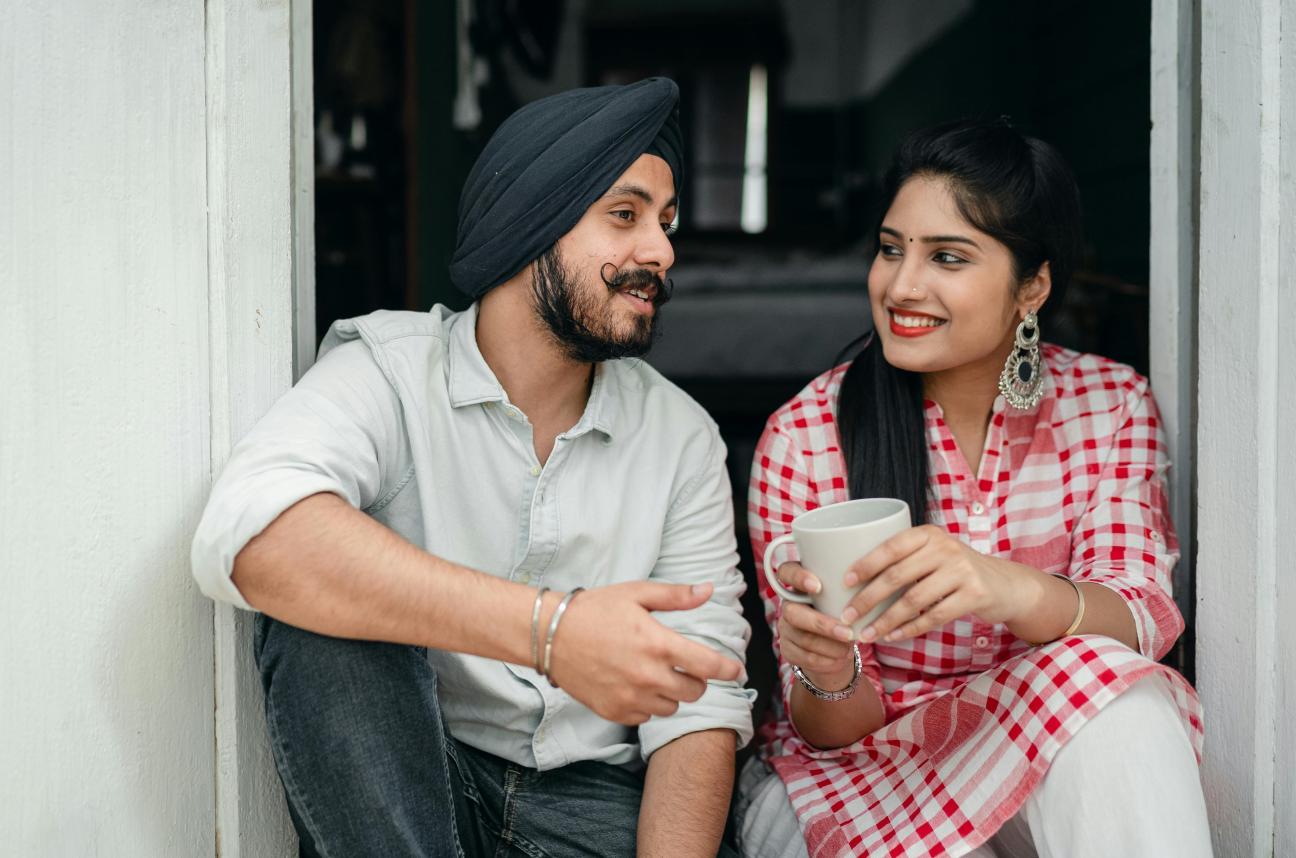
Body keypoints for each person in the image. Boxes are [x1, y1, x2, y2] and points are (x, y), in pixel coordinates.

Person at [192, 77, 754, 858]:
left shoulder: (682, 436)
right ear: (532, 224)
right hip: (417, 778)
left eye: (665, 222)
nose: (661, 250)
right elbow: (251, 532)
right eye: (624, 215)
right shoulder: (388, 372)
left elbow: (702, 705)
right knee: (323, 623)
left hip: (593, 799)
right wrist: (550, 633)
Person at [739, 119, 1211, 858]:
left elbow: (1141, 621)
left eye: (947, 257)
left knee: (1120, 692)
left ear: (1032, 287)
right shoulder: (805, 438)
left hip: (1045, 740)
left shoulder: (1108, 404)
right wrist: (827, 672)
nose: (900, 286)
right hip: (860, 774)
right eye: (891, 249)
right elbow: (830, 726)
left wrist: (1008, 589)